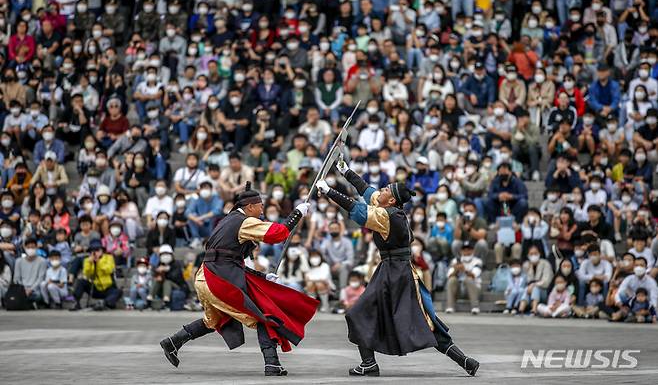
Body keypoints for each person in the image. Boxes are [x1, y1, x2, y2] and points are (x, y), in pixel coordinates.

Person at [317, 157, 479, 377]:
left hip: (396, 273)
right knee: (423, 320)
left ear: (391, 199)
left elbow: (357, 209)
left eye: (385, 189)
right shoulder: (389, 208)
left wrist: (329, 192)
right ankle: (464, 361)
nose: (380, 190)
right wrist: (346, 171)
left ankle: (369, 364)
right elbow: (366, 190)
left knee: (363, 314)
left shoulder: (386, 215)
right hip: (393, 270)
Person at [159, 183, 317, 376]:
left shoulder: (227, 220)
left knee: (214, 320)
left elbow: (229, 259)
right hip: (218, 279)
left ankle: (173, 342)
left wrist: (262, 276)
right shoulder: (244, 221)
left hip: (206, 276)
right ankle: (272, 364)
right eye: (260, 206)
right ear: (250, 206)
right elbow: (277, 234)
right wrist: (297, 214)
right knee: (262, 315)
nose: (261, 211)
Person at [70, 239, 122, 311]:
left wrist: (98, 262)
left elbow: (109, 269)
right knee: (81, 281)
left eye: (97, 250)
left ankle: (104, 303)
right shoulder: (87, 260)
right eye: (93, 250)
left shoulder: (109, 258)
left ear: (102, 250)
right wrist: (89, 262)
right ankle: (76, 302)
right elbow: (87, 273)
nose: (95, 252)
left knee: (118, 292)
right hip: (94, 287)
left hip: (108, 288)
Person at [445, 241, 483, 315]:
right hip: (459, 290)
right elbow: (449, 276)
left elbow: (474, 275)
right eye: (464, 249)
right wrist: (456, 270)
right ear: (461, 251)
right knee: (452, 280)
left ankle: (475, 307)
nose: (466, 251)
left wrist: (464, 270)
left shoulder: (478, 261)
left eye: (469, 249)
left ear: (473, 250)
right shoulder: (455, 261)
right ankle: (450, 306)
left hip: (474, 290)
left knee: (468, 279)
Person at [12, 237, 47, 304]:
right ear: (24, 248)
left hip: (35, 290)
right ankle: (28, 303)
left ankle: (25, 302)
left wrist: (30, 290)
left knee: (38, 296)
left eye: (33, 247)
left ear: (37, 247)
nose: (30, 249)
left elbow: (40, 279)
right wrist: (23, 290)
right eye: (28, 247)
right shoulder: (18, 261)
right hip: (21, 289)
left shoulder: (42, 261)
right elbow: (16, 278)